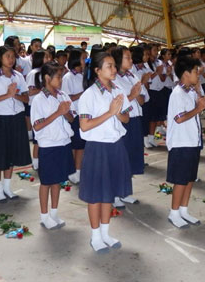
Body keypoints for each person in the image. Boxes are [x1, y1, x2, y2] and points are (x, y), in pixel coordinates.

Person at [77, 52, 133, 253]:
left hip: (115, 146)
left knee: (108, 193)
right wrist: (109, 112)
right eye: (109, 66)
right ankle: (95, 237)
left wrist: (118, 113)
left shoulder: (118, 90)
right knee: (95, 195)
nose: (114, 70)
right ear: (97, 71)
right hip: (97, 148)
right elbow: (84, 126)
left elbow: (127, 118)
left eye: (114, 66)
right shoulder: (88, 95)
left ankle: (106, 233)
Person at [0, 46, 31, 202]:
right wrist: (6, 95)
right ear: (0, 58)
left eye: (12, 56)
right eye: (7, 56)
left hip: (16, 119)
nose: (11, 59)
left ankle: (8, 188)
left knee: (11, 154)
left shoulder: (18, 76)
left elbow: (27, 98)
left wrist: (15, 95)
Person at [166, 56, 205, 228]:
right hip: (181, 142)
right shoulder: (177, 94)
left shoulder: (190, 91)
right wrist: (199, 108)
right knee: (181, 180)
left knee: (190, 178)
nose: (198, 74)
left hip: (192, 140)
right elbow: (179, 118)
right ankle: (174, 212)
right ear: (185, 74)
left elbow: (194, 111)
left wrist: (200, 100)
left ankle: (184, 210)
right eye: (194, 71)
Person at [31, 62, 75, 229]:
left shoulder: (63, 95)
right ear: (48, 78)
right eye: (58, 77)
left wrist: (66, 112)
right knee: (46, 182)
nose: (61, 80)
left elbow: (71, 118)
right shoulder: (39, 99)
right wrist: (58, 112)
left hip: (63, 142)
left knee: (57, 180)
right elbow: (37, 125)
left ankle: (54, 213)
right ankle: (44, 215)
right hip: (48, 145)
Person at [112, 46, 148, 208]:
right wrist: (133, 95)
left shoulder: (131, 75)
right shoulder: (113, 79)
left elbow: (142, 99)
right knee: (121, 157)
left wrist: (136, 94)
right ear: (119, 60)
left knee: (132, 155)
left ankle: (125, 192)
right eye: (128, 57)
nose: (131, 60)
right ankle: (115, 193)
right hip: (122, 120)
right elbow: (115, 103)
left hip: (135, 118)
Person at [61, 49, 86, 184]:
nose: (85, 61)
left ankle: (78, 170)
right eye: (83, 59)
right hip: (73, 114)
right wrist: (83, 93)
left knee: (81, 145)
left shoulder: (83, 75)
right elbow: (66, 97)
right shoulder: (68, 77)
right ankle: (72, 171)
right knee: (75, 145)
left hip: (83, 114)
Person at [26, 50, 51, 170]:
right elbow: (30, 92)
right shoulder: (34, 73)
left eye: (49, 57)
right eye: (46, 57)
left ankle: (41, 159)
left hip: (46, 106)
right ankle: (35, 162)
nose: (49, 59)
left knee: (45, 134)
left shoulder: (46, 72)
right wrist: (45, 88)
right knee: (38, 137)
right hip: (35, 106)